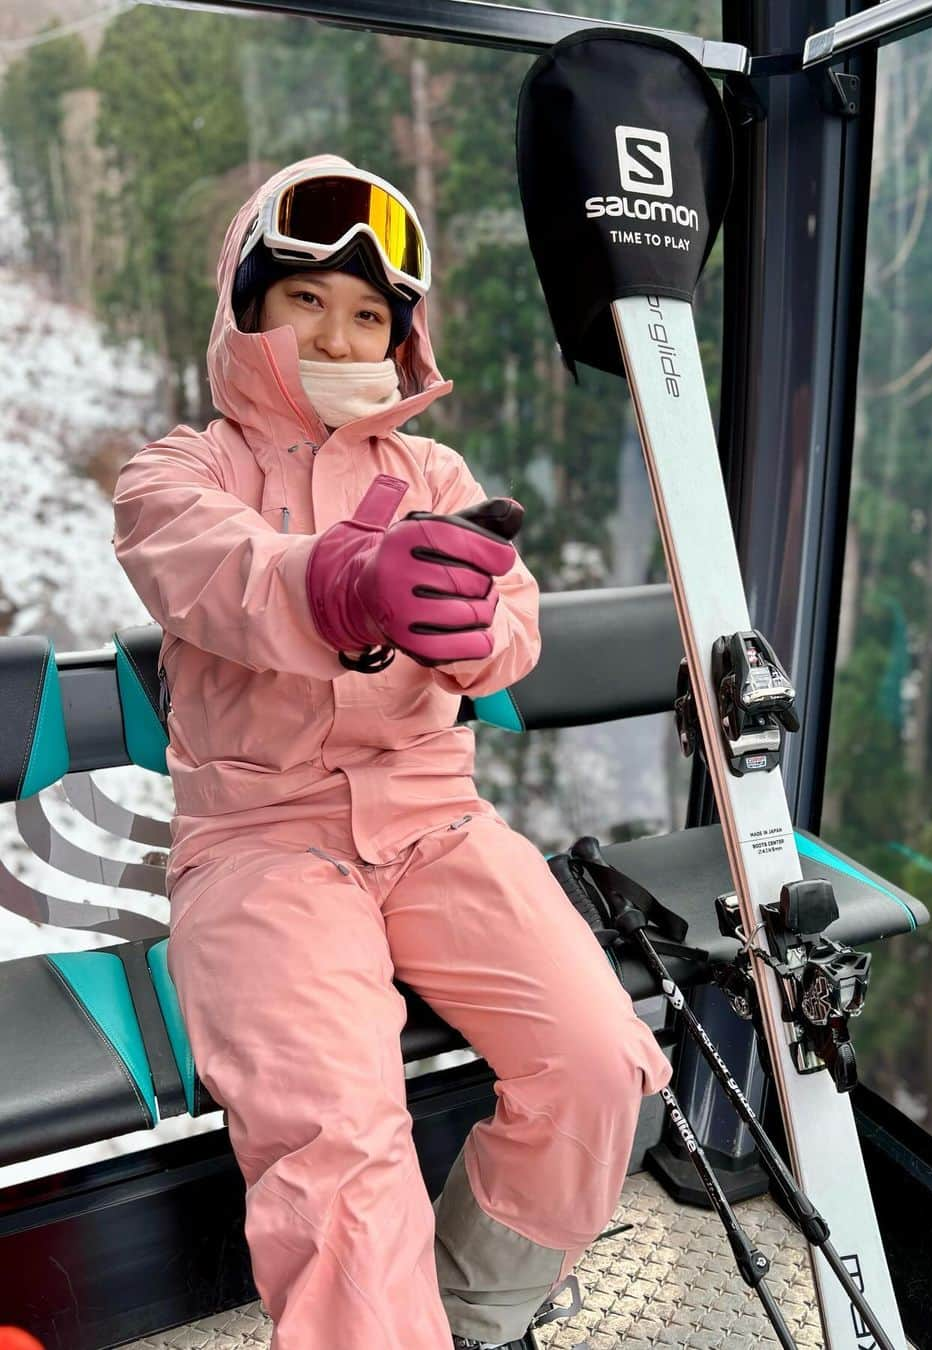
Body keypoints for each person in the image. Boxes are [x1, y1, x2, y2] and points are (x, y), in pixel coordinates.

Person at [112, 154, 672, 1350]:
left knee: (598, 1063)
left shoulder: (435, 473)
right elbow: (211, 569)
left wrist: (472, 631)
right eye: (306, 297)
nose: (336, 329)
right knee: (339, 1144)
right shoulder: (182, 469)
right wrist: (342, 580)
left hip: (437, 825)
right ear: (247, 305)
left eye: (368, 313)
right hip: (264, 843)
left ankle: (474, 1314)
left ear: (399, 341)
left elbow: (511, 624)